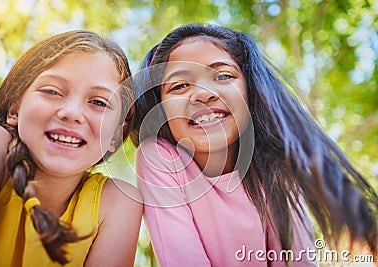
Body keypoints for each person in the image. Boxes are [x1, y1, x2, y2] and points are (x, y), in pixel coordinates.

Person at [130, 23, 378, 266]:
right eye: (180, 85)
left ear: (250, 95)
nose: (204, 93)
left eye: (223, 75)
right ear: (161, 112)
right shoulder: (159, 157)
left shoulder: (274, 167)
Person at [0, 30, 142, 266]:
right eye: (52, 91)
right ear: (14, 109)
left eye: (98, 102)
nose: (72, 113)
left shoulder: (118, 202)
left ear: (116, 135)